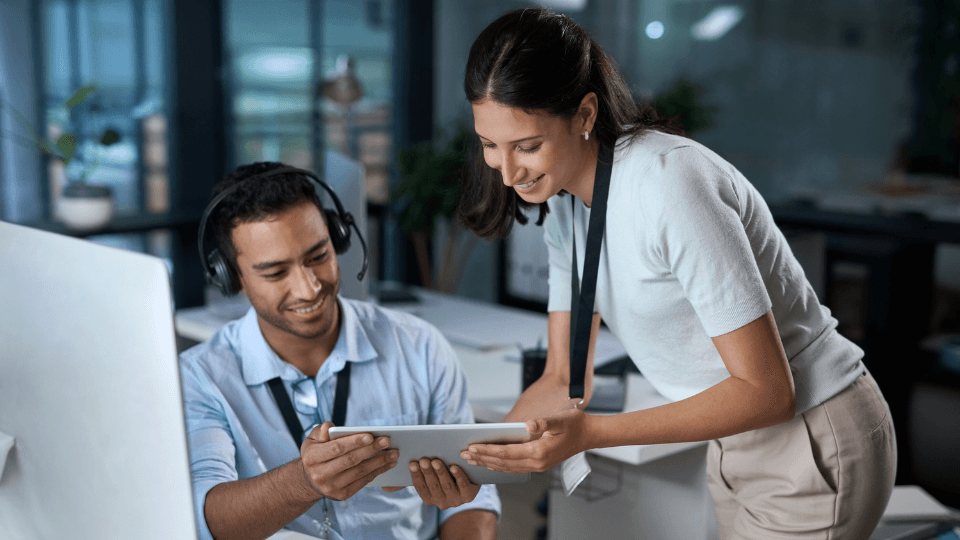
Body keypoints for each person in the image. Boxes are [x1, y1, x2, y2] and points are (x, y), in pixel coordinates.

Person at [456, 7, 896, 539]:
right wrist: (473, 464)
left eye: (527, 146)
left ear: (585, 114)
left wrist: (590, 433)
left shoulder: (667, 184)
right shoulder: (566, 208)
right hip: (733, 443)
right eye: (490, 145)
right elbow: (562, 379)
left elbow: (767, 391)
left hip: (810, 434)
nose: (507, 173)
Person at [179, 162, 500, 540]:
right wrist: (303, 481)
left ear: (338, 240)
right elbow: (204, 519)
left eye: (318, 256)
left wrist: (463, 495)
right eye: (276, 273)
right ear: (232, 278)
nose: (308, 288)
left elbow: (473, 499)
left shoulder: (419, 346)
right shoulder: (200, 377)